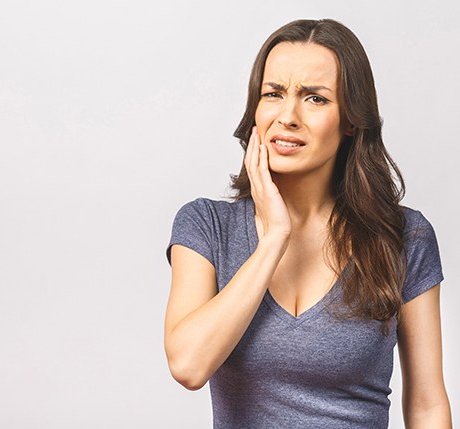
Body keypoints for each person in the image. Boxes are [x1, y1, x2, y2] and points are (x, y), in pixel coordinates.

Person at [164, 19, 451, 428]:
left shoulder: (404, 237)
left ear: (350, 120)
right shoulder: (207, 226)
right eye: (273, 94)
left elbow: (426, 404)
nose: (288, 116)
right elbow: (188, 365)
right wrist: (274, 239)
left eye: (314, 98)